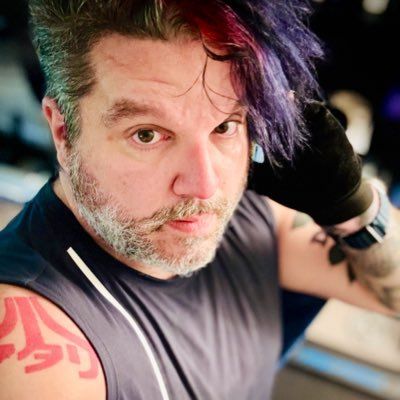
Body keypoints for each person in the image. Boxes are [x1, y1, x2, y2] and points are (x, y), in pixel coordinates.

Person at [0, 1, 399, 399]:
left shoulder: (250, 213)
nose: (205, 186)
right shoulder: (34, 348)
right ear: (63, 131)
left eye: (224, 127)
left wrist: (353, 206)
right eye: (147, 135)